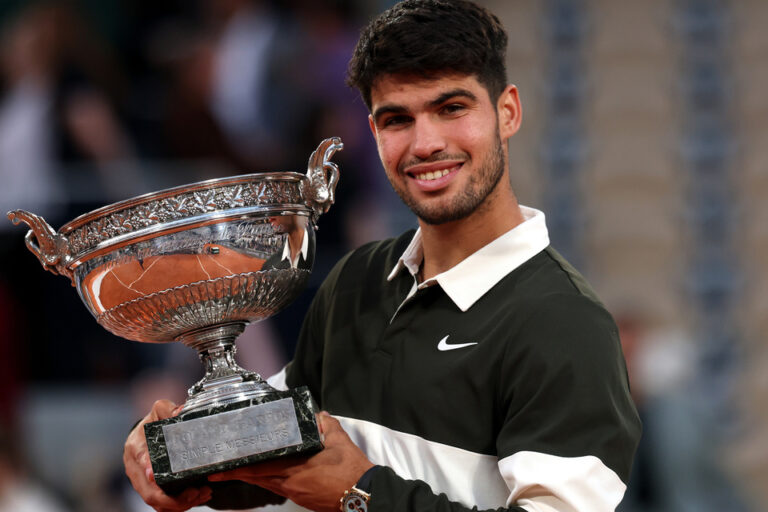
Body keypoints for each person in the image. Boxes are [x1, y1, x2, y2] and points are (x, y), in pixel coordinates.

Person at [123, 1, 641, 511]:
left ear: (508, 112)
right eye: (397, 119)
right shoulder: (357, 279)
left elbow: (343, 485)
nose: (425, 143)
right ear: (373, 132)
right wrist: (180, 458)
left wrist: (362, 494)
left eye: (451, 108)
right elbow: (286, 463)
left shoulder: (567, 324)